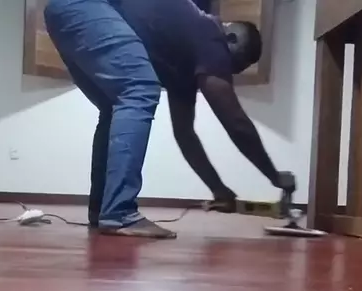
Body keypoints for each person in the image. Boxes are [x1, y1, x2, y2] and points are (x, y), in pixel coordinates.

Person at [44, 0, 294, 239]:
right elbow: (235, 122)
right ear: (231, 38)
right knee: (140, 89)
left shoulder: (181, 64)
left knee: (113, 107)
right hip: (87, 5)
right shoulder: (210, 34)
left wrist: (218, 189)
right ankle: (119, 213)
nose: (224, 71)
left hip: (63, 12)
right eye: (230, 65)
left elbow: (185, 134)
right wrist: (274, 175)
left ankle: (102, 210)